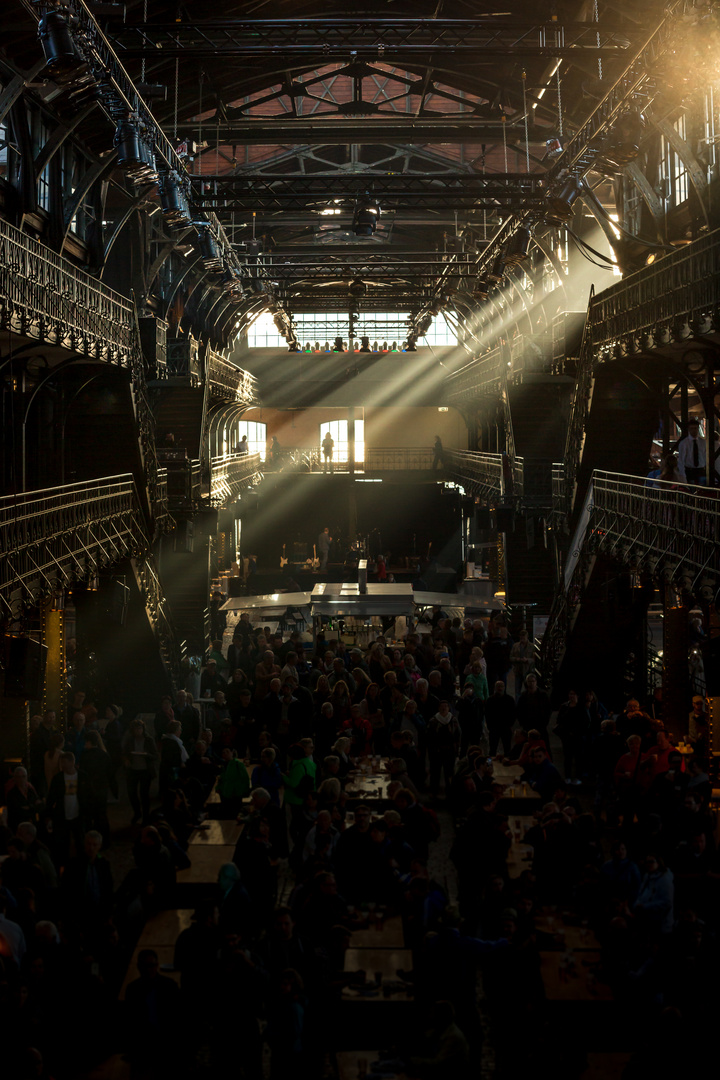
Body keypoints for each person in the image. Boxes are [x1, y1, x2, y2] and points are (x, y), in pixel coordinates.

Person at [122, 718, 158, 826]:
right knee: (132, 793)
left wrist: (146, 755)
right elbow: (124, 753)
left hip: (145, 770)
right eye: (136, 729)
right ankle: (137, 812)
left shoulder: (148, 740)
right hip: (133, 770)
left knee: (144, 794)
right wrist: (126, 760)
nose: (138, 731)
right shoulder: (130, 740)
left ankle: (146, 816)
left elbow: (155, 755)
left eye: (140, 728)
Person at [676, 418, 706, 484]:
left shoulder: (703, 442)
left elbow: (705, 456)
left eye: (695, 428)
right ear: (688, 429)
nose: (694, 430)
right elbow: (681, 460)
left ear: (698, 429)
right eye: (692, 428)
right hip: (690, 471)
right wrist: (683, 475)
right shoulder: (684, 443)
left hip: (701, 470)